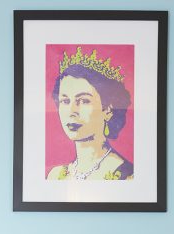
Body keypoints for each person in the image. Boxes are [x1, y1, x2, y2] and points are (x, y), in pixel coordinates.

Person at [47, 47, 133, 181]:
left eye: (83, 101)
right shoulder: (54, 176)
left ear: (108, 110)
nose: (71, 112)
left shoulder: (127, 176)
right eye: (65, 101)